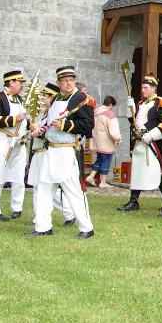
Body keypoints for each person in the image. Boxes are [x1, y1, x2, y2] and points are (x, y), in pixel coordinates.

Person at [27, 73, 94, 239]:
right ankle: (43, 226)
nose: (68, 83)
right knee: (44, 189)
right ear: (59, 82)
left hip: (66, 150)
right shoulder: (56, 99)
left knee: (73, 190)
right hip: (50, 151)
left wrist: (64, 124)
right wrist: (43, 131)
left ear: (75, 81)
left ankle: (86, 227)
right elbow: (51, 125)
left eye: (71, 80)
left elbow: (87, 125)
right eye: (64, 81)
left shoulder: (82, 99)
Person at [118, 73, 162, 212]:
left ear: (154, 88)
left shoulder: (161, 102)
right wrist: (131, 110)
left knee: (158, 171)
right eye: (142, 88)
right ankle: (133, 201)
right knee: (137, 171)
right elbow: (133, 122)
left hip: (153, 143)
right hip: (139, 142)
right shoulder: (141, 104)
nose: (143, 90)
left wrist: (151, 135)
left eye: (146, 88)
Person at [26, 83, 74, 224]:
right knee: (38, 187)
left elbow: (49, 134)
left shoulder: (54, 114)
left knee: (51, 188)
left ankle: (70, 213)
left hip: (46, 152)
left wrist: (36, 130)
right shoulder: (44, 114)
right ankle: (39, 218)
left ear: (52, 97)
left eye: (45, 96)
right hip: (38, 152)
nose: (42, 99)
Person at [0, 69, 28, 222]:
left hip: (18, 141)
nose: (21, 85)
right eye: (19, 82)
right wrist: (13, 119)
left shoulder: (21, 100)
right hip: (2, 140)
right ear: (10, 82)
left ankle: (17, 207)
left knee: (18, 175)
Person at [88, 94, 122, 189]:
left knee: (99, 159)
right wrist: (118, 138)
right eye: (112, 106)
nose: (112, 108)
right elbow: (113, 131)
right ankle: (103, 182)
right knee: (106, 160)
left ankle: (91, 177)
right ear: (110, 104)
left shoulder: (96, 112)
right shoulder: (110, 114)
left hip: (96, 140)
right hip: (106, 141)